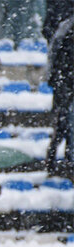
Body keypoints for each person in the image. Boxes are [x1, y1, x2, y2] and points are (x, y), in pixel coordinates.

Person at [46, 16, 74, 176]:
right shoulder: (65, 49)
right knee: (64, 131)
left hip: (65, 94)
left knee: (63, 132)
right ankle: (62, 162)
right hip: (65, 95)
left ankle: (62, 161)